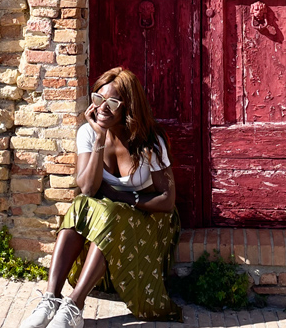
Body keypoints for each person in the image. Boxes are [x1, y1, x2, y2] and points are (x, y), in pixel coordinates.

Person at [20, 67, 182, 328]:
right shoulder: (88, 132)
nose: (103, 108)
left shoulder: (151, 141)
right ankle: (50, 298)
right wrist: (99, 138)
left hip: (149, 216)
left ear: (128, 106)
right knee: (80, 206)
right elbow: (87, 188)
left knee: (110, 214)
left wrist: (124, 198)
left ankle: (74, 305)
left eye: (113, 102)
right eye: (98, 99)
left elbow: (167, 201)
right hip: (109, 214)